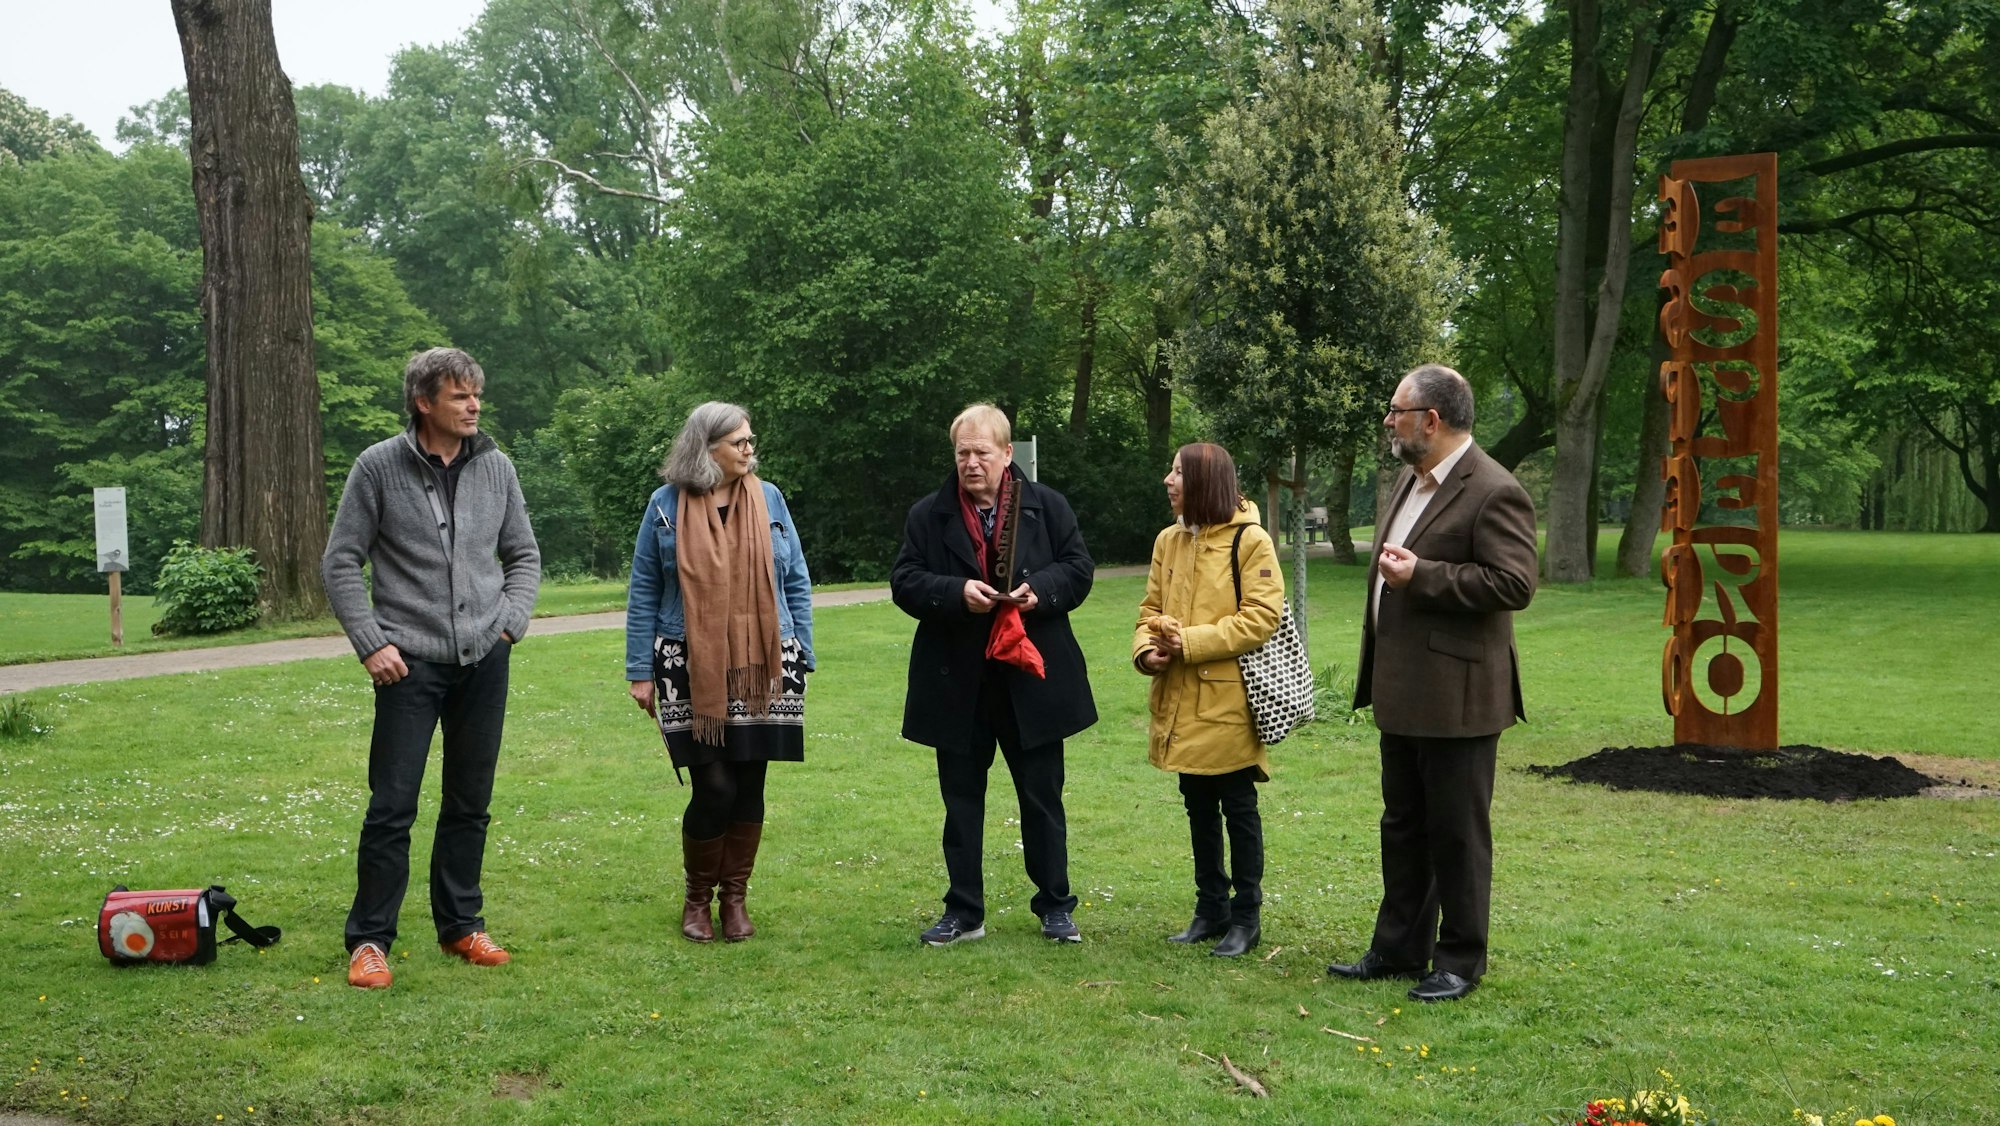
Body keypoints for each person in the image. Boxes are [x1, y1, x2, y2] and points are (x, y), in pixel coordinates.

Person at [323, 347, 542, 990]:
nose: (474, 405)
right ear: (424, 402)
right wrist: (371, 641)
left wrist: (510, 624)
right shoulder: (377, 468)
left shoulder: (497, 468)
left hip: (484, 657)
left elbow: (523, 555)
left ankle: (461, 926)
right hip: (406, 664)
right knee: (392, 806)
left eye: (477, 394)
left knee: (470, 802)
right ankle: (369, 942)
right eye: (459, 395)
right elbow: (340, 562)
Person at [1326, 363, 1537, 1003]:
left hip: (1459, 696)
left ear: (1433, 420)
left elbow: (1514, 584)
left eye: (1397, 411)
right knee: (1404, 824)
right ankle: (1398, 947)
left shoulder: (1494, 489)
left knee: (1457, 832)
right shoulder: (1408, 480)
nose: (1389, 422)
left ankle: (1460, 960)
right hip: (1403, 689)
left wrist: (1425, 576)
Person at [891, 403, 1096, 947]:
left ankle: (1055, 906)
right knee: (961, 802)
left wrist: (1041, 592)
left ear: (1008, 454)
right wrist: (954, 593)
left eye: (982, 452)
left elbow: (1078, 569)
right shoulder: (927, 515)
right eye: (963, 452)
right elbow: (905, 581)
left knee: (1042, 798)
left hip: (1031, 677)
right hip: (958, 681)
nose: (971, 463)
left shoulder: (1047, 508)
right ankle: (964, 912)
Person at [625, 402, 814, 944]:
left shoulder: (770, 498)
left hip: (765, 658)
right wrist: (641, 670)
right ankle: (696, 899)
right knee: (713, 785)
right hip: (688, 660)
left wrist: (805, 648)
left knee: (750, 780)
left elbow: (796, 576)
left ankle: (735, 900)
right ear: (707, 450)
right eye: (740, 443)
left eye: (751, 441)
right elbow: (643, 589)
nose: (750, 451)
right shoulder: (665, 506)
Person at [1132, 443, 1283, 958]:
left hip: (1229, 702)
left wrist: (1190, 643)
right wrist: (1148, 651)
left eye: (1177, 472)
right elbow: (1149, 608)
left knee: (1238, 807)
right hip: (1177, 697)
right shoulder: (1169, 540)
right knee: (1197, 805)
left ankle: (1247, 917)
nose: (1167, 480)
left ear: (1204, 482)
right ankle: (1209, 909)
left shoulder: (1250, 541)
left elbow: (1261, 618)